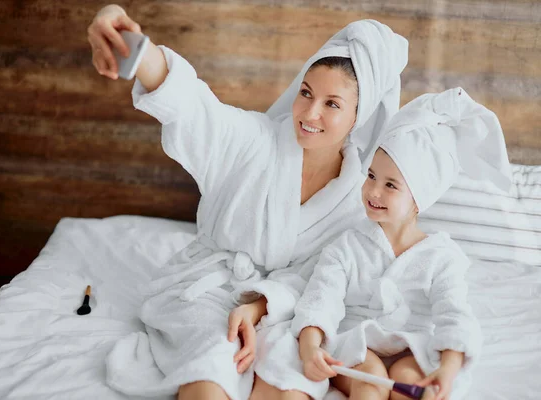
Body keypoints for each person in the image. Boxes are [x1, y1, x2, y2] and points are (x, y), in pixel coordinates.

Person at [87, 4, 408, 399]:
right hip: (206, 292)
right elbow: (194, 108)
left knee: (289, 383)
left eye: (332, 104)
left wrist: (258, 305)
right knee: (211, 369)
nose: (309, 112)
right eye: (306, 93)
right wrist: (133, 45)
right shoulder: (254, 142)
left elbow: (318, 276)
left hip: (280, 311)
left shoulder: (355, 196)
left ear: (358, 116)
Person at [279, 87, 511, 400]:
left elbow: (453, 313)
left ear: (419, 200)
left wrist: (448, 368)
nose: (373, 191)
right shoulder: (347, 245)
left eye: (390, 185)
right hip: (359, 345)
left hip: (413, 347)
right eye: (371, 176)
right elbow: (321, 297)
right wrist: (310, 347)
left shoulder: (442, 257)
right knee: (371, 379)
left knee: (411, 382)